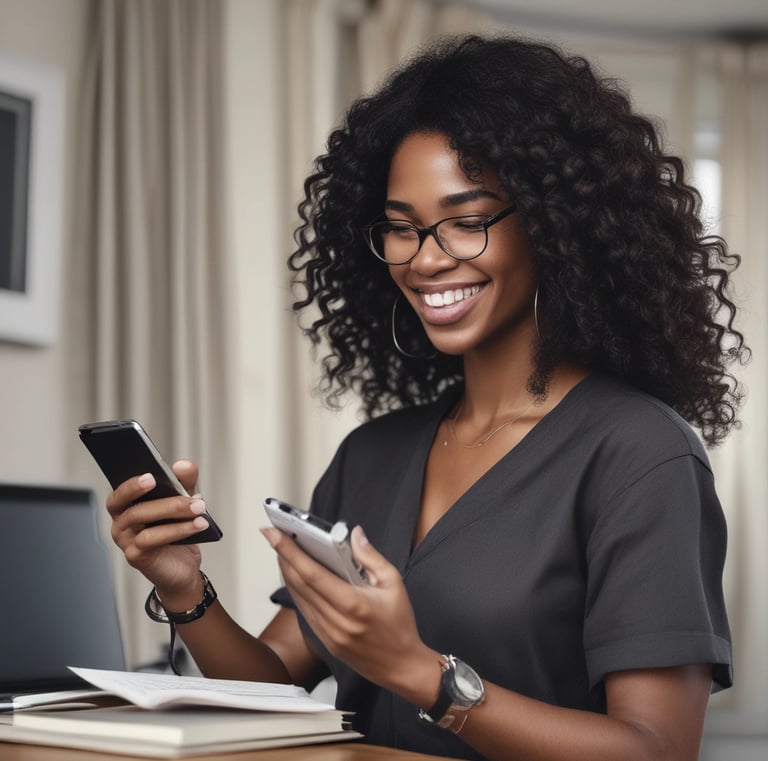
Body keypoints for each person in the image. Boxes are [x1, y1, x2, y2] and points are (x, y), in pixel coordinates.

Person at [106, 34, 747, 761]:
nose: (426, 258)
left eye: (468, 221)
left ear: (555, 223)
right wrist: (186, 588)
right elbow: (276, 683)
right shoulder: (374, 453)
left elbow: (656, 749)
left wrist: (419, 673)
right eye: (403, 229)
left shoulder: (641, 454)